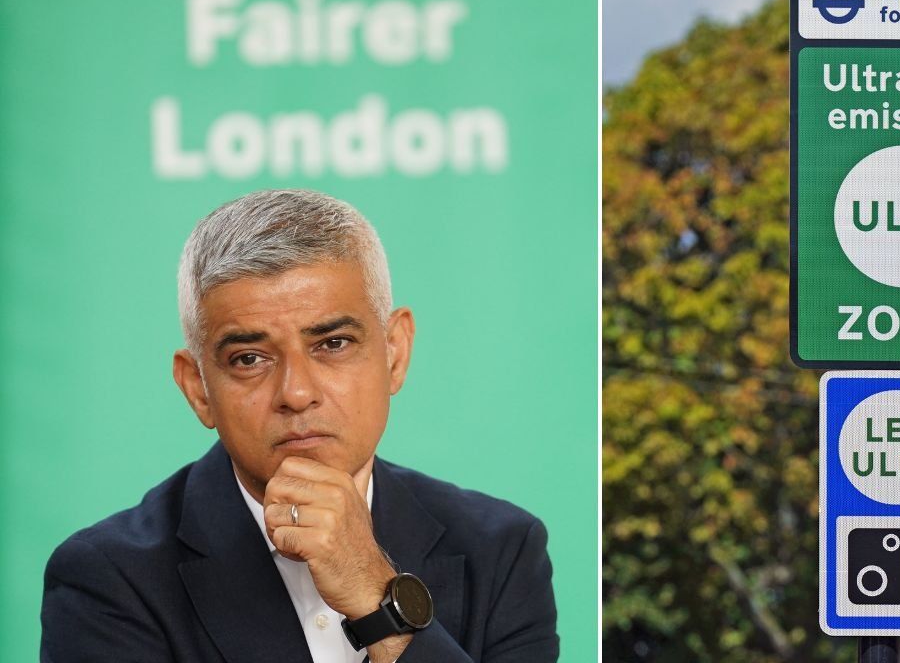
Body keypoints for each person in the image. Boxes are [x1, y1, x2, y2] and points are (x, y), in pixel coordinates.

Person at [40, 189, 558, 663]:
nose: (296, 392)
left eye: (332, 344)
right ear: (198, 388)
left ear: (394, 353)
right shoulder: (107, 579)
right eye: (248, 358)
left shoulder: (504, 550)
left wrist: (380, 603)